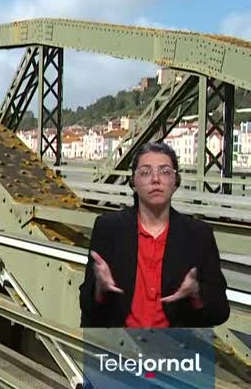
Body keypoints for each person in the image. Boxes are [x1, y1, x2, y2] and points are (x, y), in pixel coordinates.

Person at [79, 141, 230, 328]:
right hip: (119, 348)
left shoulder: (199, 235)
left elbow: (221, 312)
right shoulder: (109, 229)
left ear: (176, 182)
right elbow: (86, 307)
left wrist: (196, 293)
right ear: (133, 182)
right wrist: (99, 290)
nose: (156, 179)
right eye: (145, 172)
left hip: (176, 350)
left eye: (165, 171)